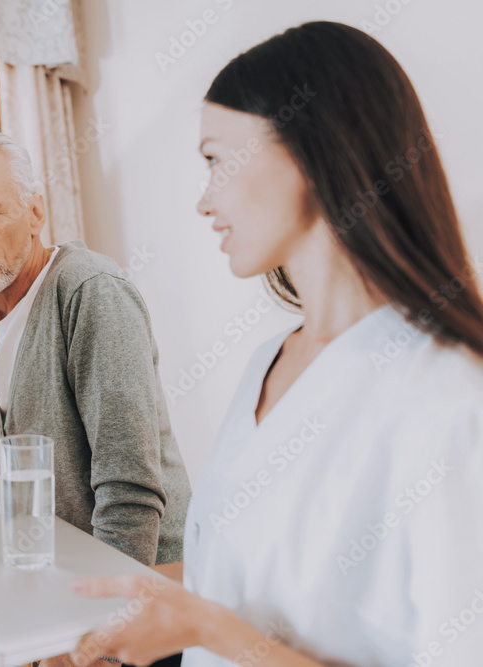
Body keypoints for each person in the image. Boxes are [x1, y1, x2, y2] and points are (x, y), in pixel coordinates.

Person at [67, 21, 483, 667]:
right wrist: (86, 620)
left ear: (312, 153)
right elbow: (231, 579)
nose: (204, 201)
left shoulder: (447, 397)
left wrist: (212, 631)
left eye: (215, 160)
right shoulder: (268, 362)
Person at [0, 130, 191, 567]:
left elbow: (128, 489)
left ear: (35, 213)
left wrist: (107, 602)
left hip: (151, 570)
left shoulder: (91, 291)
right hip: (54, 566)